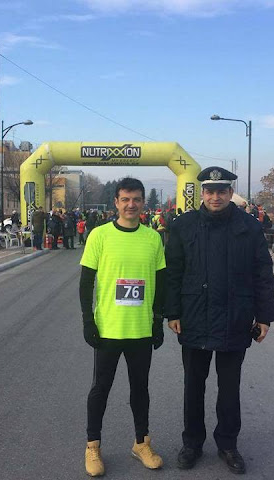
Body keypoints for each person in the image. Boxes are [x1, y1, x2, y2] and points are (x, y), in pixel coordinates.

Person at [165, 167, 274, 474]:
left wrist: (265, 316)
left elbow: (262, 273)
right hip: (194, 316)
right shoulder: (183, 225)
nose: (216, 197)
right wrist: (172, 312)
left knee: (229, 389)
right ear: (202, 193)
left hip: (235, 317)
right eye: (210, 191)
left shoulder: (248, 226)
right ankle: (192, 443)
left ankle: (228, 444)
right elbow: (173, 272)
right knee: (193, 387)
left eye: (222, 191)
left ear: (230, 193)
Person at [79, 177, 165, 477]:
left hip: (140, 330)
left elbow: (161, 284)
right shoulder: (99, 235)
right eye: (125, 199)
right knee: (100, 389)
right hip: (108, 330)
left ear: (143, 203)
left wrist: (158, 321)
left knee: (140, 390)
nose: (131, 205)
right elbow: (86, 282)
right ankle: (93, 446)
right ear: (116, 202)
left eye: (136, 199)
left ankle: (142, 443)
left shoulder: (153, 238)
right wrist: (87, 321)